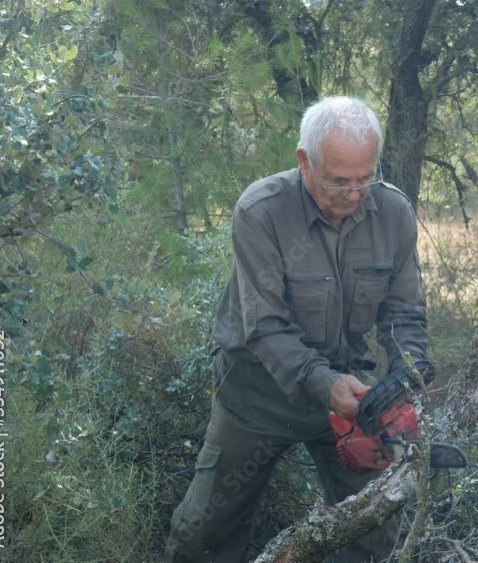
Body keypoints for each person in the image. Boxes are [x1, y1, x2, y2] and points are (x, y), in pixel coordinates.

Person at [165, 96, 431, 563]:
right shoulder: (261, 211)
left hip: (349, 394)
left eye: (364, 179)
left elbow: (404, 312)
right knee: (203, 532)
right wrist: (323, 384)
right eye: (338, 181)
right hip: (256, 394)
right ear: (304, 161)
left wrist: (407, 372)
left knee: (372, 523)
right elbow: (265, 327)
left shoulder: (394, 213)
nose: (353, 194)